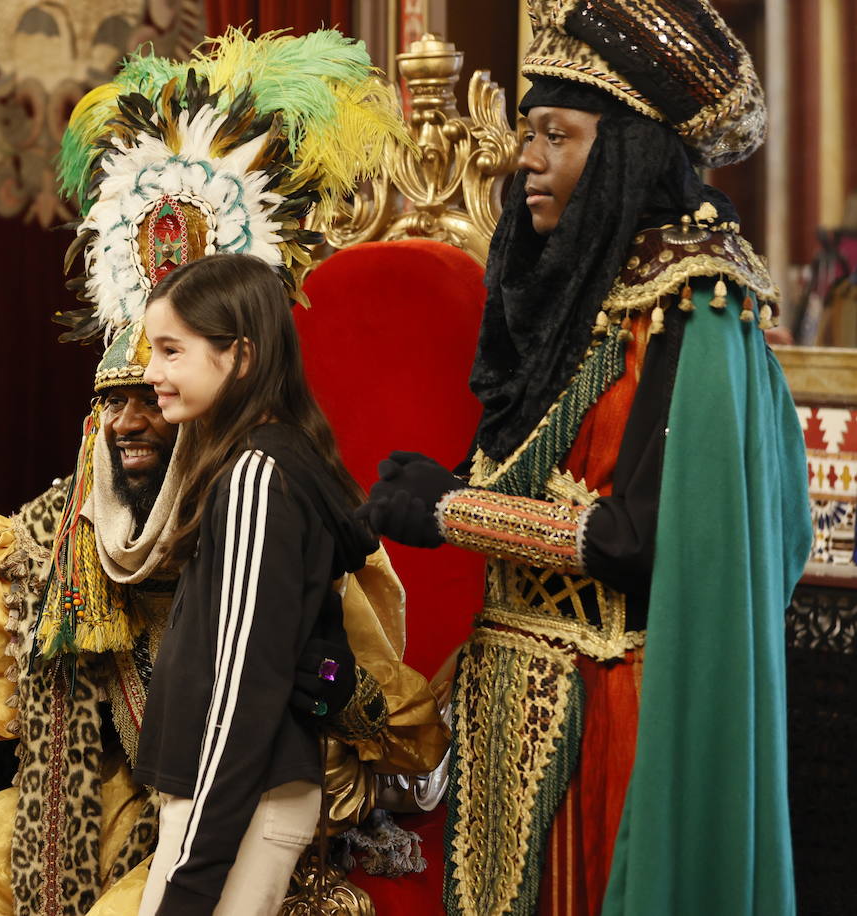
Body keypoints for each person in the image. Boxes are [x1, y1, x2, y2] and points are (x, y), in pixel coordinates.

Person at [356, 2, 810, 913]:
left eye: (555, 136)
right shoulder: (588, 287)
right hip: (504, 698)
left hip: (603, 715)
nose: (526, 159)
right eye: (528, 133)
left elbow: (641, 538)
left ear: (626, 153)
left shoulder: (693, 308)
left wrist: (452, 512)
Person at [0, 319, 445, 915]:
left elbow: (392, 711)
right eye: (112, 402)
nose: (127, 422)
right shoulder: (56, 538)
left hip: (233, 801)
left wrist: (334, 690)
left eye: (150, 400)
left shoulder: (266, 515)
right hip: (96, 796)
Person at [131, 252, 388, 915]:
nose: (152, 373)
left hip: (237, 803)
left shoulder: (255, 477)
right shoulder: (270, 462)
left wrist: (190, 884)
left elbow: (244, 686)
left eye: (171, 351)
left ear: (239, 356)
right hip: (243, 800)